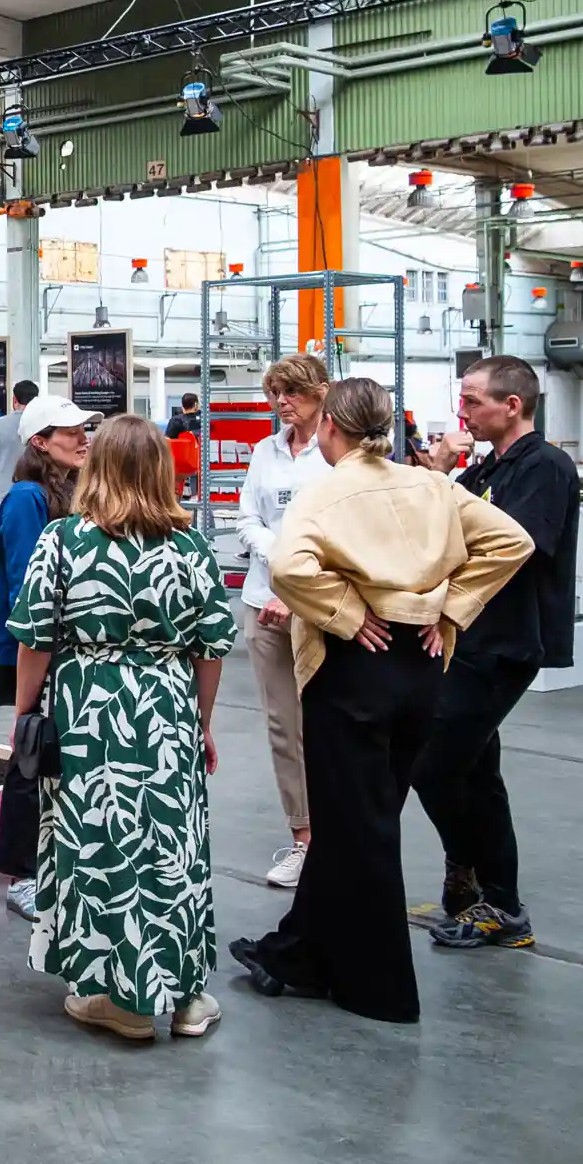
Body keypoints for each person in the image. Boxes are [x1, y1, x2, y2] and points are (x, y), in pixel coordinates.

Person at [228, 378, 532, 1024]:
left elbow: (288, 567)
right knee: (358, 822)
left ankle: (381, 989)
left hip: (352, 668)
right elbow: (511, 541)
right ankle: (296, 951)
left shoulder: (327, 493)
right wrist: (449, 605)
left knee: (359, 830)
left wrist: (342, 611)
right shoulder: (430, 484)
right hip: (421, 664)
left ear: (333, 427)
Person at [10, 415, 238, 1041]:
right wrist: (201, 720)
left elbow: (34, 638)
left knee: (98, 847)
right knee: (172, 846)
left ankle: (120, 1000)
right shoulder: (191, 548)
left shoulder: (64, 542)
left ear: (98, 466)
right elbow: (212, 646)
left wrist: (26, 711)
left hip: (88, 705)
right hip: (168, 704)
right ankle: (187, 995)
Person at [412, 356, 580, 950]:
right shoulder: (489, 468)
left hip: (506, 640)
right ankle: (484, 890)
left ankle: (492, 895)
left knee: (434, 763)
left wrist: (445, 485)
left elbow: (515, 546)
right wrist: (440, 474)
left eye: (474, 401)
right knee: (477, 771)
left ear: (513, 405)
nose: (464, 412)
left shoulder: (546, 468)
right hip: (470, 635)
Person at [0, 389, 95, 921]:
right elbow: (35, 586)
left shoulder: (66, 494)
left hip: (63, 647)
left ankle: (46, 866)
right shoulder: (27, 500)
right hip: (42, 647)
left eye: (83, 431)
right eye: (71, 433)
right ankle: (23, 875)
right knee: (30, 754)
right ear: (41, 442)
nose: (82, 439)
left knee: (47, 755)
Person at [238, 354, 330, 890]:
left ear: (321, 392)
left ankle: (337, 832)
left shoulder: (336, 454)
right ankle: (303, 838)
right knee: (282, 725)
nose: (282, 402)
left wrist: (297, 579)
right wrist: (277, 556)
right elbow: (248, 515)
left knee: (326, 720)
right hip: (261, 598)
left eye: (292, 392)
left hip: (317, 604)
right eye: (276, 393)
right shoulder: (264, 451)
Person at [0, 378, 39, 514]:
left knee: (1, 535)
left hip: (0, 497)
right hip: (33, 496)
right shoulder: (42, 428)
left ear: (14, 400)